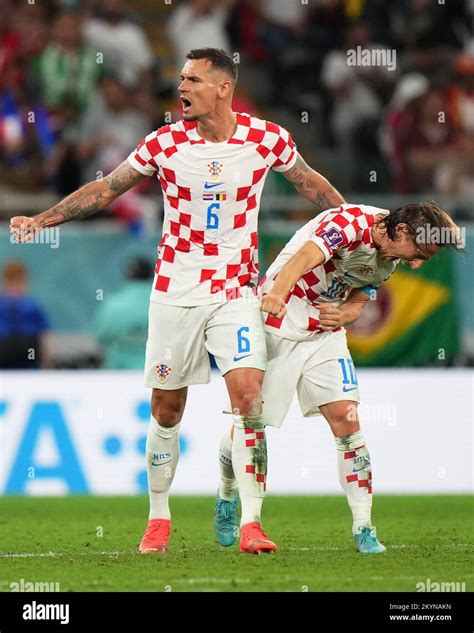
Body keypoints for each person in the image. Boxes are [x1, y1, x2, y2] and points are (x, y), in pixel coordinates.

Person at [10, 48, 345, 555]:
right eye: (180, 79)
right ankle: (159, 516)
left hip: (235, 291)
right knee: (168, 409)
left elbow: (308, 182)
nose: (181, 88)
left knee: (249, 399)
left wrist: (354, 221)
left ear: (223, 87)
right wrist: (42, 220)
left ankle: (251, 522)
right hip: (174, 293)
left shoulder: (267, 138)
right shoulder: (163, 143)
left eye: (192, 79)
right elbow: (106, 189)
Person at [215, 201, 462, 553]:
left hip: (324, 331)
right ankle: (232, 500)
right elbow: (303, 258)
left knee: (349, 423)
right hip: (281, 318)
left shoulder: (392, 254)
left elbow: (364, 293)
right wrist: (276, 295)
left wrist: (348, 312)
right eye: (419, 252)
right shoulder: (350, 224)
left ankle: (364, 527)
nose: (418, 262)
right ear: (403, 231)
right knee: (251, 419)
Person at [93, 256, 153, 369]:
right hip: (158, 377)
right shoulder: (164, 303)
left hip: (119, 377)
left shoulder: (112, 305)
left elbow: (99, 339)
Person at [0, 260, 51, 369]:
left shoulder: (33, 307)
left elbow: (44, 340)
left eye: (18, 283)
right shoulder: (33, 306)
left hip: (28, 372)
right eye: (12, 283)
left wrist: (47, 369)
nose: (15, 288)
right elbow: (44, 340)